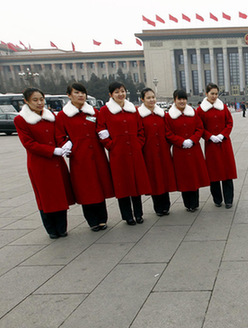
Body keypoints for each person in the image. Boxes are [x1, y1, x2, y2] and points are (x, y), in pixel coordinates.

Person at [14, 87, 75, 238]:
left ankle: (62, 227)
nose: (39, 103)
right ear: (26, 101)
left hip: (56, 163)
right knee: (45, 197)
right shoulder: (21, 119)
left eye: (41, 99)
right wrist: (51, 150)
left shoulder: (51, 117)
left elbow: (59, 135)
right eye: (35, 100)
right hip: (39, 164)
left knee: (60, 195)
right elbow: (28, 143)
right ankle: (51, 229)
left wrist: (65, 144)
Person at [55, 83, 114, 232]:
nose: (81, 95)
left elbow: (101, 129)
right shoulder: (63, 116)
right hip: (79, 158)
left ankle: (102, 218)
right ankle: (92, 220)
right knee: (85, 189)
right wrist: (66, 146)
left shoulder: (94, 112)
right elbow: (60, 136)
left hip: (97, 155)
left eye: (83, 93)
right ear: (69, 95)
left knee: (99, 186)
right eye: (76, 93)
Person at [97, 81, 151, 225]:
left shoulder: (132, 109)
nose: (120, 94)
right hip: (118, 153)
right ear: (110, 95)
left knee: (136, 183)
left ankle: (139, 214)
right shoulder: (105, 111)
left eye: (122, 91)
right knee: (122, 185)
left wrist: (138, 144)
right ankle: (127, 215)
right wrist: (111, 145)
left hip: (135, 151)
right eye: (116, 92)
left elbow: (140, 130)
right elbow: (101, 131)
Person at [165, 90, 210, 212]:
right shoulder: (169, 116)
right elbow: (168, 133)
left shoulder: (193, 113)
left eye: (184, 99)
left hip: (193, 149)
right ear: (174, 100)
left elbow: (199, 128)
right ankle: (187, 203)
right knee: (184, 178)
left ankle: (194, 203)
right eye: (179, 99)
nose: (182, 101)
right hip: (180, 151)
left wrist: (193, 140)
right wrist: (180, 141)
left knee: (194, 176)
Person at [197, 83, 237, 209]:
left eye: (216, 94)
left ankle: (229, 200)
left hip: (224, 144)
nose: (214, 96)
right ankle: (217, 199)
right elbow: (199, 127)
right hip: (211, 145)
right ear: (206, 94)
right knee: (214, 174)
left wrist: (223, 134)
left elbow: (229, 122)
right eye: (211, 93)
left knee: (227, 173)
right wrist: (209, 136)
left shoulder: (223, 107)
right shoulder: (200, 110)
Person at [138, 88, 177, 216]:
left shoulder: (162, 114)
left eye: (153, 97)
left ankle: (166, 206)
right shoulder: (139, 116)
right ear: (142, 99)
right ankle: (158, 207)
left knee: (164, 178)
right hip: (149, 152)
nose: (151, 100)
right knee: (154, 179)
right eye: (148, 98)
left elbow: (168, 132)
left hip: (163, 151)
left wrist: (170, 144)